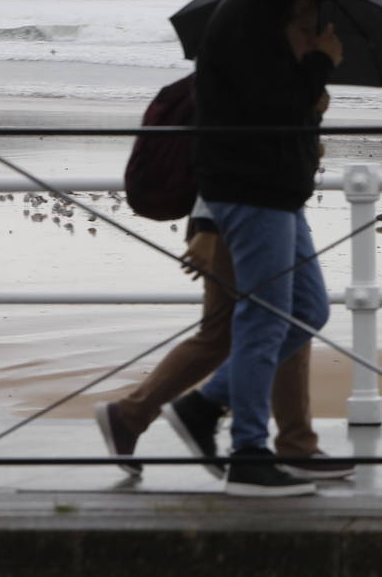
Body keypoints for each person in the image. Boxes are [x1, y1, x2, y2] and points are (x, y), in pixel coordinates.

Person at [161, 0, 341, 497]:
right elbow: (273, 109)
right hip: (252, 190)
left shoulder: (263, 20)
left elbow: (278, 105)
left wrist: (309, 60)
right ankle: (247, 456)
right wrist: (320, 65)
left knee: (308, 309)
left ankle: (204, 404)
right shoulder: (247, 23)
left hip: (277, 192)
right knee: (263, 323)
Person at [93, 202, 353, 482]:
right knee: (236, 331)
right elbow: (218, 159)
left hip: (269, 204)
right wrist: (206, 224)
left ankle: (296, 443)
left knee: (283, 321)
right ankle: (152, 412)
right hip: (241, 208)